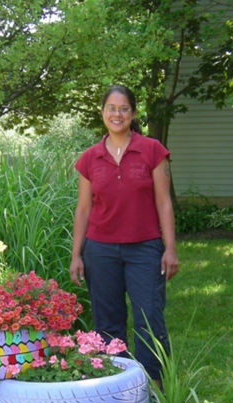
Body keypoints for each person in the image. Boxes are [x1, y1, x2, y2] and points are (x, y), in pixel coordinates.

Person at [69, 84, 178, 381]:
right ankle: (115, 389)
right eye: (111, 108)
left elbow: (164, 202)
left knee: (150, 320)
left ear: (133, 112)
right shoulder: (89, 159)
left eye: (123, 108)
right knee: (107, 325)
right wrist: (76, 254)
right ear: (102, 113)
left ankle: (152, 390)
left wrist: (169, 248)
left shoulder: (153, 151)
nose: (117, 114)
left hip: (145, 249)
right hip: (100, 251)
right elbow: (83, 209)